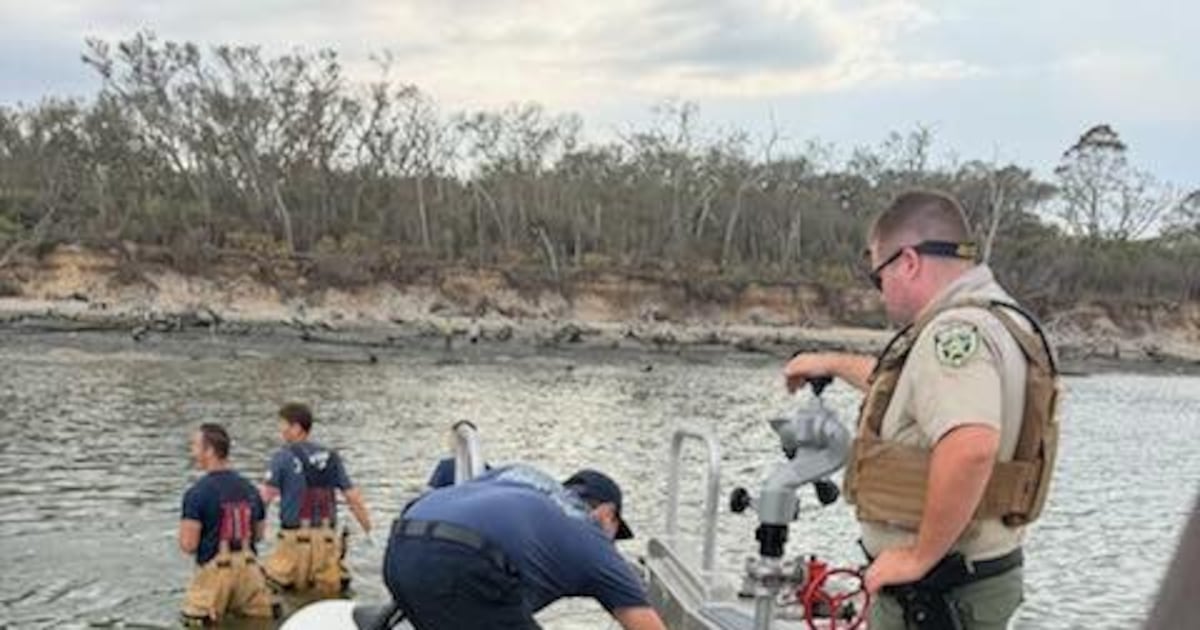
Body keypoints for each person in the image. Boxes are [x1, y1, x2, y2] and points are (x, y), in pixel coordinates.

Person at [784, 190, 1060, 629]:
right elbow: (913, 392)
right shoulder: (1002, 321)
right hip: (974, 578)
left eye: (880, 277)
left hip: (938, 595)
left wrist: (917, 556)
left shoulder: (952, 334)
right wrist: (831, 363)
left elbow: (971, 445)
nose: (882, 293)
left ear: (908, 262)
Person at [383, 464, 667, 630]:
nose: (612, 545)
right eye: (615, 535)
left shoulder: (519, 476)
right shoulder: (589, 532)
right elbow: (647, 625)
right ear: (607, 513)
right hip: (463, 563)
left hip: (401, 545)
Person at [260, 402, 373, 594]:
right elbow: (352, 497)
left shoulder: (282, 457)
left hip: (294, 541)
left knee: (278, 591)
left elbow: (264, 499)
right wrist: (368, 530)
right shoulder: (331, 457)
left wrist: (252, 536)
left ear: (296, 428)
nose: (280, 430)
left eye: (282, 425)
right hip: (327, 542)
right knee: (329, 595)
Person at [179, 423, 277, 624]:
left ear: (209, 451)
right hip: (249, 573)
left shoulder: (197, 493)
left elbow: (188, 545)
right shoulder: (250, 489)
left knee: (195, 622)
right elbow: (258, 535)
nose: (193, 452)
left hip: (215, 576)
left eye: (195, 446)